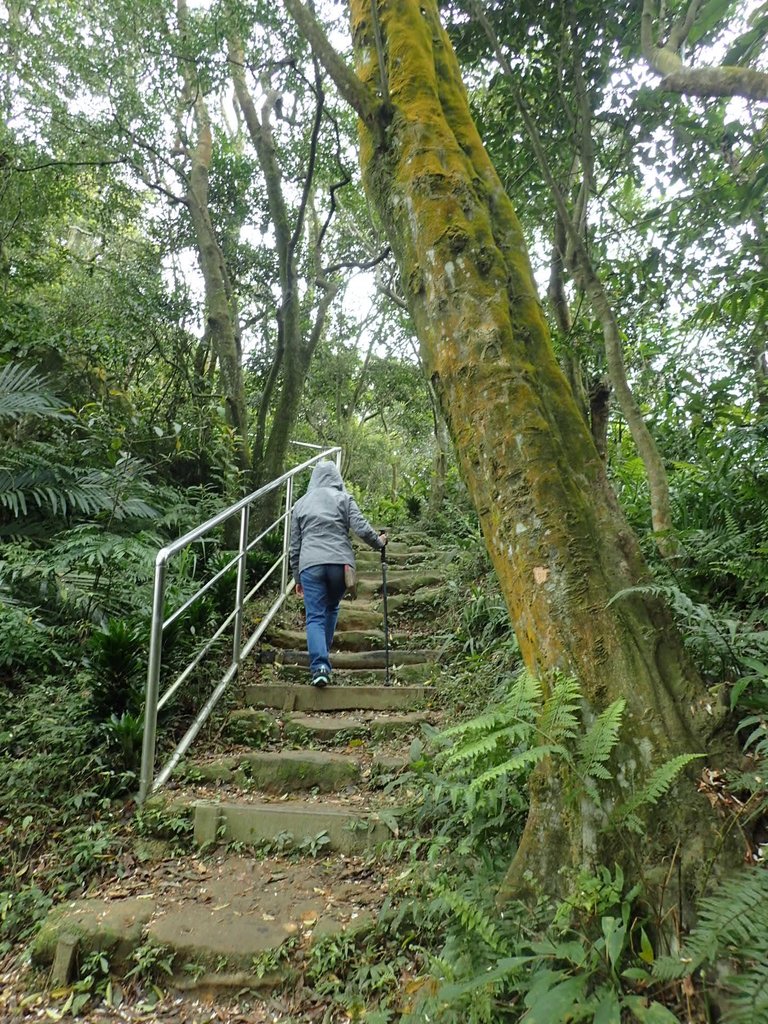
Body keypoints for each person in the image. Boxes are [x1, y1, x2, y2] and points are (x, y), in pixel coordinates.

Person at [289, 461, 387, 688]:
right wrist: (379, 543)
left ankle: (320, 666)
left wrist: (297, 578)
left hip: (310, 565)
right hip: (338, 565)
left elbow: (295, 546)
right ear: (336, 478)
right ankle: (323, 657)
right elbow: (361, 528)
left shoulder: (300, 504)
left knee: (315, 616)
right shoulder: (344, 498)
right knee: (331, 608)